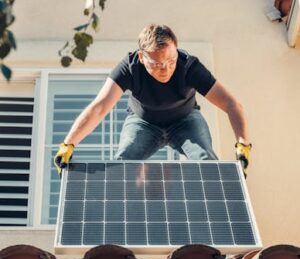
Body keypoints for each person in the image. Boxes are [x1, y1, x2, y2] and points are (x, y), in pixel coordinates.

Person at [54, 24, 252, 177]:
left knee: (207, 162)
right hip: (143, 122)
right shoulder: (130, 68)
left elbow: (231, 104)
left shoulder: (190, 67)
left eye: (171, 61)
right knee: (122, 165)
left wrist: (242, 144)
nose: (166, 69)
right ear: (142, 57)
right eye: (157, 64)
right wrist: (68, 144)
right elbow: (99, 107)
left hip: (185, 121)